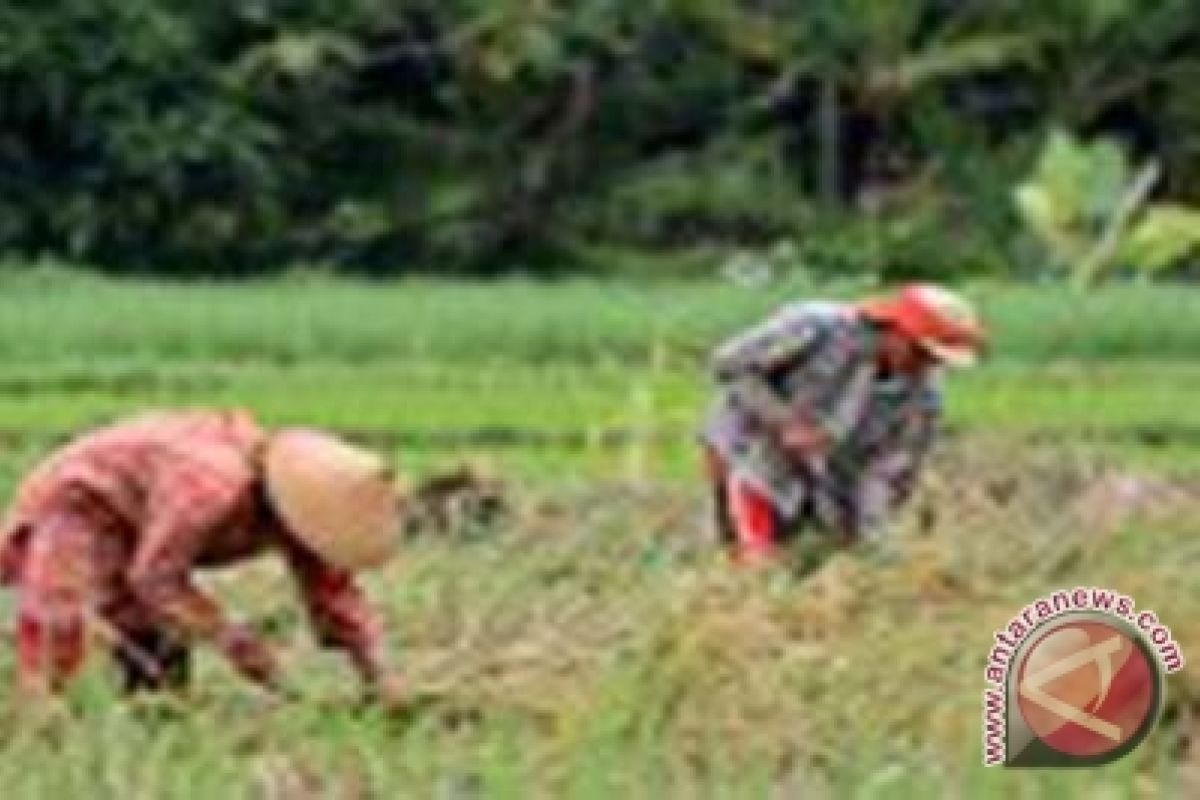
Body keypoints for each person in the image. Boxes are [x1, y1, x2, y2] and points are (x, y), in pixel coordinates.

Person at [0, 409, 404, 706]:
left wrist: (378, 676)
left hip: (146, 507)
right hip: (84, 498)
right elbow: (156, 578)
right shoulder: (206, 490)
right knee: (66, 618)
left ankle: (155, 712)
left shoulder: (305, 513)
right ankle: (36, 719)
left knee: (152, 633)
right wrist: (231, 639)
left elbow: (331, 590)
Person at [701, 283, 985, 564]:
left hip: (825, 469)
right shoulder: (816, 327)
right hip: (748, 445)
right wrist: (783, 420)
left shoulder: (923, 399)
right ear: (895, 330)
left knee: (812, 556)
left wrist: (872, 536)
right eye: (919, 352)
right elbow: (729, 365)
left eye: (934, 360)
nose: (924, 365)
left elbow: (889, 471)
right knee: (752, 554)